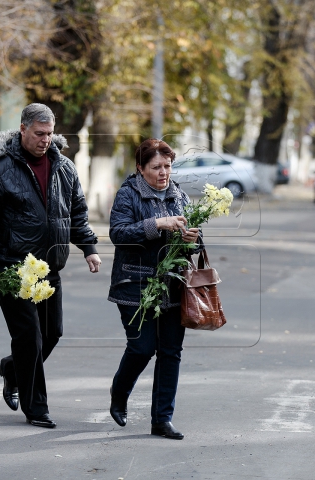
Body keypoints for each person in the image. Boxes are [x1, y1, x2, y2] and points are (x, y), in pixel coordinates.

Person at [0, 103, 101, 428]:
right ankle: (36, 408)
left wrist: (88, 247)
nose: (45, 140)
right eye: (39, 134)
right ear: (23, 129)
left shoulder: (64, 167)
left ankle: (13, 371)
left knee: (52, 333)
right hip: (11, 268)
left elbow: (76, 212)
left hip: (48, 267)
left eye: (50, 133)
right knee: (29, 338)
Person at [107, 138, 201, 440]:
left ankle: (162, 419)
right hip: (134, 283)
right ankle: (119, 391)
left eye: (168, 166)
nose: (164, 173)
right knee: (142, 347)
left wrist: (193, 240)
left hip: (173, 284)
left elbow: (198, 242)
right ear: (140, 168)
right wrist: (158, 223)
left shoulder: (179, 196)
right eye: (156, 167)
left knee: (171, 352)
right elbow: (118, 234)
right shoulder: (128, 195)